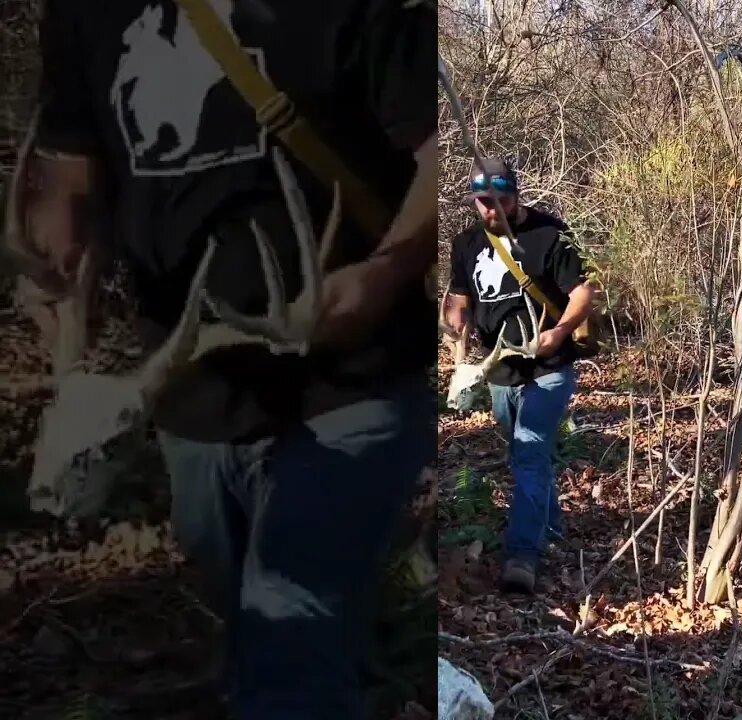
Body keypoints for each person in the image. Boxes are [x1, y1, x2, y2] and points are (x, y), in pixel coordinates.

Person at [24, 0, 435, 717]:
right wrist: (53, 258)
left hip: (350, 382)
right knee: (255, 614)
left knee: (290, 626)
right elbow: (68, 169)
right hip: (190, 399)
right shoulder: (84, 11)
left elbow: (442, 154)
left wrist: (385, 272)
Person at [444, 157, 595, 594]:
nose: (492, 210)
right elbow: (458, 298)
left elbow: (584, 291)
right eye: (483, 202)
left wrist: (561, 330)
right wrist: (455, 324)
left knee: (529, 453)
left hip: (549, 366)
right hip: (499, 367)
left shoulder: (551, 233)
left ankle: (522, 557)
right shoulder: (467, 243)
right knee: (524, 450)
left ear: (517, 194)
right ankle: (551, 525)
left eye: (501, 200)